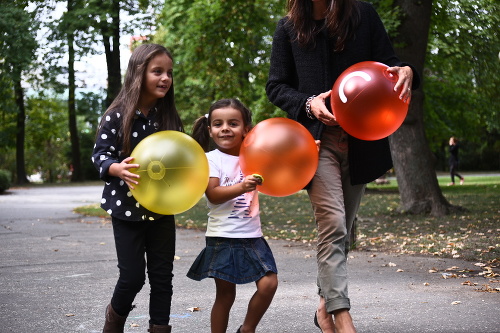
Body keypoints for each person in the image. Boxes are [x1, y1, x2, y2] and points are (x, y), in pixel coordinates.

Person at [266, 1, 420, 332]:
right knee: (334, 225)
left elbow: (390, 65)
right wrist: (308, 104)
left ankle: (323, 309)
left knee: (343, 231)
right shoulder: (288, 27)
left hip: (362, 143)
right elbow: (276, 86)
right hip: (318, 144)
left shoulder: (363, 14)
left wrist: (407, 70)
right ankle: (341, 314)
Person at [91, 43, 184, 333]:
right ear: (138, 73)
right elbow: (100, 155)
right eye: (157, 71)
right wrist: (116, 167)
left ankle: (159, 327)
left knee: (161, 277)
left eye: (169, 72)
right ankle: (114, 319)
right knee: (132, 278)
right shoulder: (116, 115)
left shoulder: (167, 118)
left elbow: (181, 159)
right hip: (126, 209)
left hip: (160, 208)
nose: (165, 78)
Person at [187, 98, 279, 333]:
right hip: (223, 238)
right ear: (210, 130)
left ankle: (247, 329)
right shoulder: (210, 160)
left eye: (233, 123)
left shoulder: (256, 156)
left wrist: (307, 151)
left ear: (246, 129)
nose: (225, 128)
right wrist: (242, 186)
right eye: (218, 124)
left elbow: (283, 164)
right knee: (225, 295)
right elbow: (214, 195)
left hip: (252, 236)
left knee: (269, 283)